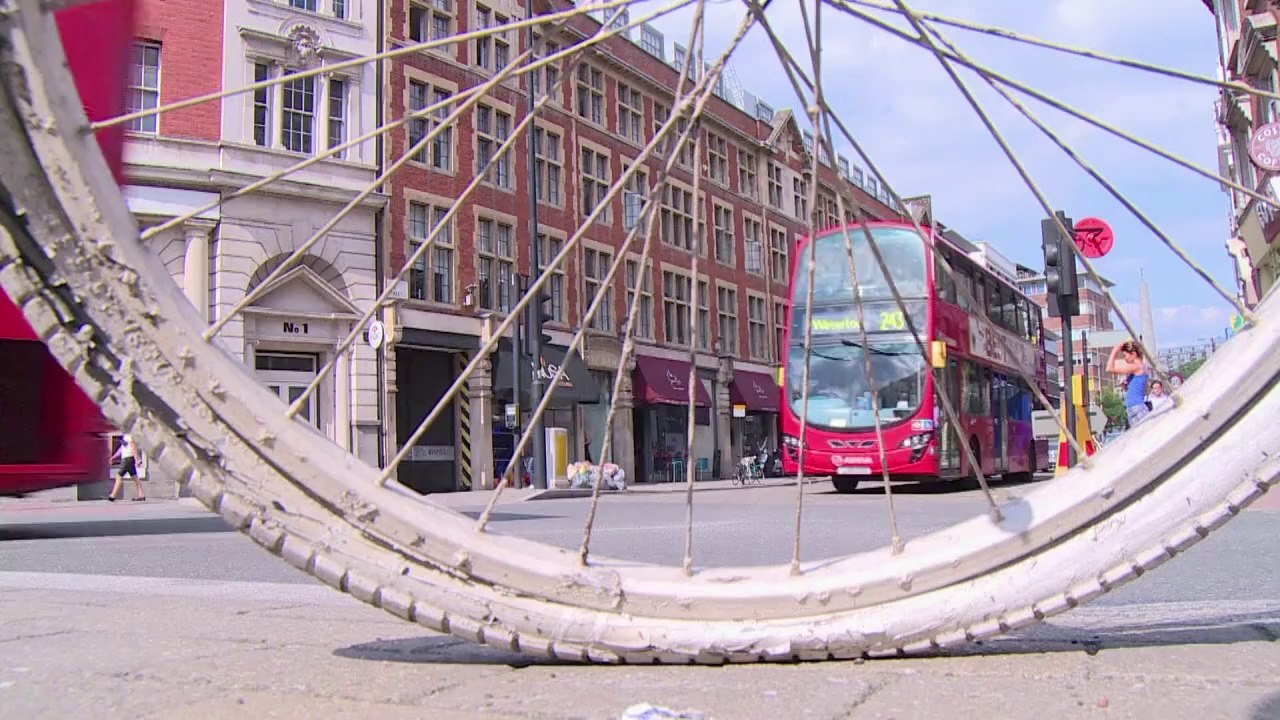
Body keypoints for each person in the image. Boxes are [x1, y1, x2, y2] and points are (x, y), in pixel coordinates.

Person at [1107, 341, 1149, 428]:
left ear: (1133, 354)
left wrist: (1114, 351)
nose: (1124, 359)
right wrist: (1125, 385)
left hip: (1137, 407)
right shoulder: (1140, 367)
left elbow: (1109, 368)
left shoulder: (1136, 366)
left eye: (1125, 355)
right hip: (1133, 407)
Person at [106, 433, 144, 502]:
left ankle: (112, 496)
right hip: (128, 459)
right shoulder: (125, 437)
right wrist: (113, 458)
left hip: (127, 459)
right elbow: (121, 449)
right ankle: (141, 495)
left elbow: (133, 447)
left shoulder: (129, 436)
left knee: (119, 476)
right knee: (135, 478)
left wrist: (136, 460)